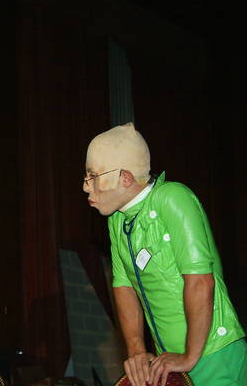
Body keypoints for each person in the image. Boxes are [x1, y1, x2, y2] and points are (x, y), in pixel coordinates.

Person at [83, 122, 246, 386]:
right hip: (169, 363)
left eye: (93, 176)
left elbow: (200, 280)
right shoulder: (117, 219)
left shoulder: (173, 197)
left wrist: (190, 356)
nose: (86, 186)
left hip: (213, 355)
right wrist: (136, 350)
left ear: (125, 178)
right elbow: (123, 284)